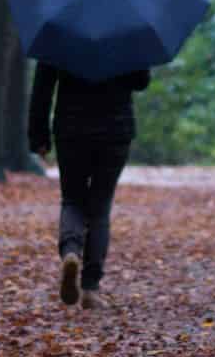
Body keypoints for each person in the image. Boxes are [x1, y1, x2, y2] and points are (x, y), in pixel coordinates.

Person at [27, 62, 148, 308]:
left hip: (71, 129)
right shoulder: (125, 31)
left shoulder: (60, 31)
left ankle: (71, 251)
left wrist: (38, 136)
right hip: (116, 129)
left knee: (73, 199)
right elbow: (140, 81)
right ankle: (90, 288)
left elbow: (43, 86)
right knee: (100, 207)